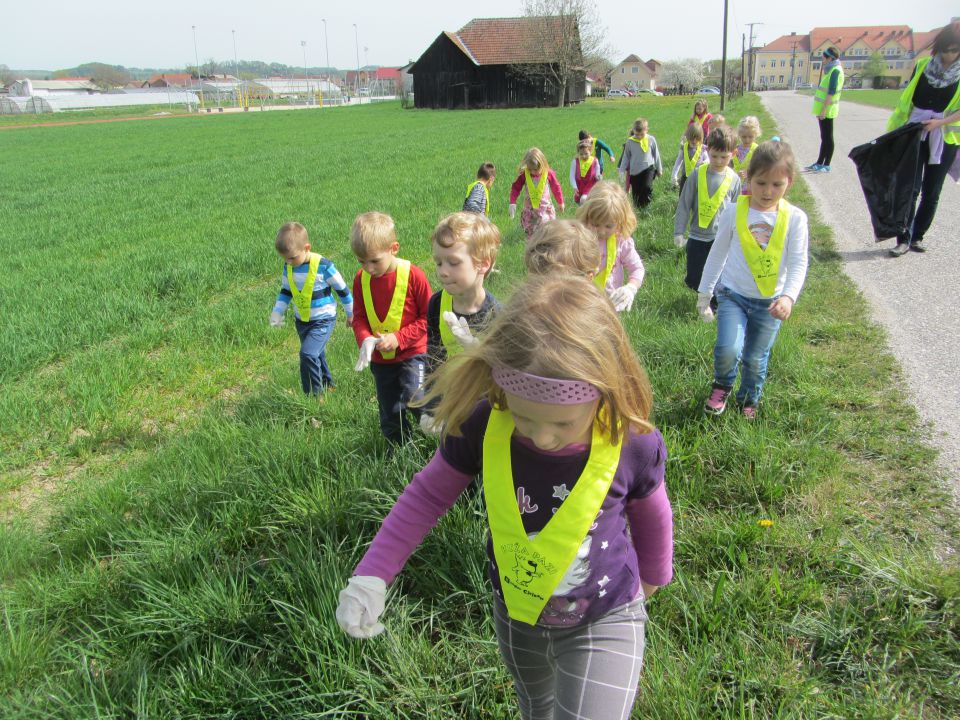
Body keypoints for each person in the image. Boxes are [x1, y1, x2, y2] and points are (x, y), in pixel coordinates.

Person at [336, 276, 674, 720]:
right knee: (537, 708)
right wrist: (372, 575)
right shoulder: (482, 424)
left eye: (563, 424)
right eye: (524, 417)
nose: (542, 437)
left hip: (606, 614)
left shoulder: (629, 441)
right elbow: (425, 498)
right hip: (517, 611)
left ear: (604, 389)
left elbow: (652, 514)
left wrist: (653, 578)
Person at [698, 140, 809, 419]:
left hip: (771, 303)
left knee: (756, 358)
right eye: (761, 183)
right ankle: (721, 385)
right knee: (728, 348)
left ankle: (749, 397)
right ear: (748, 177)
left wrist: (788, 297)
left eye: (776, 185)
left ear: (789, 182)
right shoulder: (735, 212)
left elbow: (798, 262)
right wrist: (704, 295)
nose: (767, 192)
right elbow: (717, 254)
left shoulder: (795, 219)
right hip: (733, 295)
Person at [350, 211, 432, 444]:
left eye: (374, 261)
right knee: (389, 409)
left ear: (393, 248)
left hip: (413, 353)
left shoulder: (414, 275)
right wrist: (365, 339)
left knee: (415, 395)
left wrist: (399, 338)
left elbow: (428, 317)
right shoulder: (360, 280)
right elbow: (359, 317)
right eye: (361, 261)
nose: (368, 268)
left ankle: (438, 437)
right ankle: (399, 447)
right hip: (381, 360)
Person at [421, 212, 502, 431]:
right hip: (454, 397)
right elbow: (433, 357)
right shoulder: (437, 304)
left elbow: (507, 372)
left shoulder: (497, 314)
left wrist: (482, 353)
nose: (443, 272)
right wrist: (432, 406)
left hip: (487, 405)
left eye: (453, 263)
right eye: (438, 263)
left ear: (482, 265)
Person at [887, 25, 960, 256]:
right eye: (945, 50)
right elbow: (907, 100)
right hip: (915, 134)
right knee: (910, 189)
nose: (949, 55)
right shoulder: (921, 66)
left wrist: (939, 123)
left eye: (955, 51)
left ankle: (918, 236)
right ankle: (903, 238)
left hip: (944, 137)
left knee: (932, 190)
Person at [269, 222, 354, 395]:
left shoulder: (324, 266)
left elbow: (343, 290)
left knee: (307, 354)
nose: (289, 262)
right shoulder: (289, 267)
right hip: (302, 320)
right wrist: (277, 311)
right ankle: (328, 385)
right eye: (285, 259)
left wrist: (351, 313)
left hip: (323, 319)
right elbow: (286, 290)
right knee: (317, 353)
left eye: (292, 258)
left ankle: (315, 395)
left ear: (307, 247)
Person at [673, 126, 742, 297]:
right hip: (697, 236)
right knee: (695, 277)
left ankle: (713, 303)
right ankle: (700, 294)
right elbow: (684, 203)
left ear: (733, 154)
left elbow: (738, 210)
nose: (718, 161)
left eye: (724, 157)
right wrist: (679, 231)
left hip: (721, 238)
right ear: (707, 150)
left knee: (719, 276)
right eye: (714, 156)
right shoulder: (697, 174)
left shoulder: (734, 180)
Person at [576, 181, 645, 312]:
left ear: (620, 223)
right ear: (587, 217)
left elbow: (637, 268)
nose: (601, 231)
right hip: (582, 304)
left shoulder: (622, 242)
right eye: (595, 224)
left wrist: (631, 288)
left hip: (611, 304)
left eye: (608, 226)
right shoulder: (579, 238)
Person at [509, 148, 565, 237]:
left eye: (535, 169)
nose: (532, 172)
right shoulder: (524, 174)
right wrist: (512, 202)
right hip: (530, 211)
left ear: (542, 164)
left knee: (546, 231)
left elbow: (556, 187)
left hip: (545, 209)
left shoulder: (548, 173)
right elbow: (516, 187)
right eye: (530, 169)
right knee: (532, 236)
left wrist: (560, 202)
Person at [807, 46, 844, 173]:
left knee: (828, 137)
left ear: (830, 58)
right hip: (824, 109)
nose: (822, 59)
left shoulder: (835, 71)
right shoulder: (832, 70)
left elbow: (831, 92)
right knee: (824, 137)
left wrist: (823, 110)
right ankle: (819, 163)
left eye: (824, 57)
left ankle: (826, 164)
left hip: (828, 110)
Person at [524, 218, 601, 279]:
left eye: (559, 283)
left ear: (588, 279)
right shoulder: (530, 297)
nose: (547, 290)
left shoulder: (593, 298)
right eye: (538, 282)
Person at [618, 117, 662, 209]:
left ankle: (647, 207)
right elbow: (625, 157)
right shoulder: (630, 142)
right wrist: (621, 171)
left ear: (647, 130)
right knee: (636, 196)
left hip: (648, 169)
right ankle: (639, 210)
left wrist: (659, 169)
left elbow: (656, 154)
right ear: (633, 130)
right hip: (635, 172)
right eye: (636, 134)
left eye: (641, 134)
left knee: (646, 187)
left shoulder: (651, 139)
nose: (638, 137)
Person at [670, 123, 708, 195]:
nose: (694, 141)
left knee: (697, 196)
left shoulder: (703, 148)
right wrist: (674, 175)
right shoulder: (684, 148)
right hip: (685, 177)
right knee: (682, 195)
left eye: (697, 138)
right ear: (687, 137)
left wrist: (705, 162)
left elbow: (708, 159)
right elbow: (678, 161)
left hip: (698, 177)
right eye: (691, 138)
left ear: (701, 137)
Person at [731, 116, 761, 185]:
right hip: (735, 183)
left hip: (750, 184)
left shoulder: (757, 150)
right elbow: (728, 166)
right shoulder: (735, 149)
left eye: (750, 137)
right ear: (739, 135)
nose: (747, 140)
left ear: (756, 135)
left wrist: (749, 172)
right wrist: (735, 174)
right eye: (744, 137)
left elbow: (761, 167)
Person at [570, 139, 601, 205]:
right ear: (578, 153)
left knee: (584, 199)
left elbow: (597, 171)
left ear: (590, 151)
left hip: (590, 184)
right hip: (580, 185)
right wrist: (575, 187)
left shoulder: (595, 160)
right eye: (581, 154)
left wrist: (598, 177)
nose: (584, 156)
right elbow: (572, 176)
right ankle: (584, 213)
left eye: (586, 154)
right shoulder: (575, 162)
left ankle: (586, 213)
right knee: (579, 201)